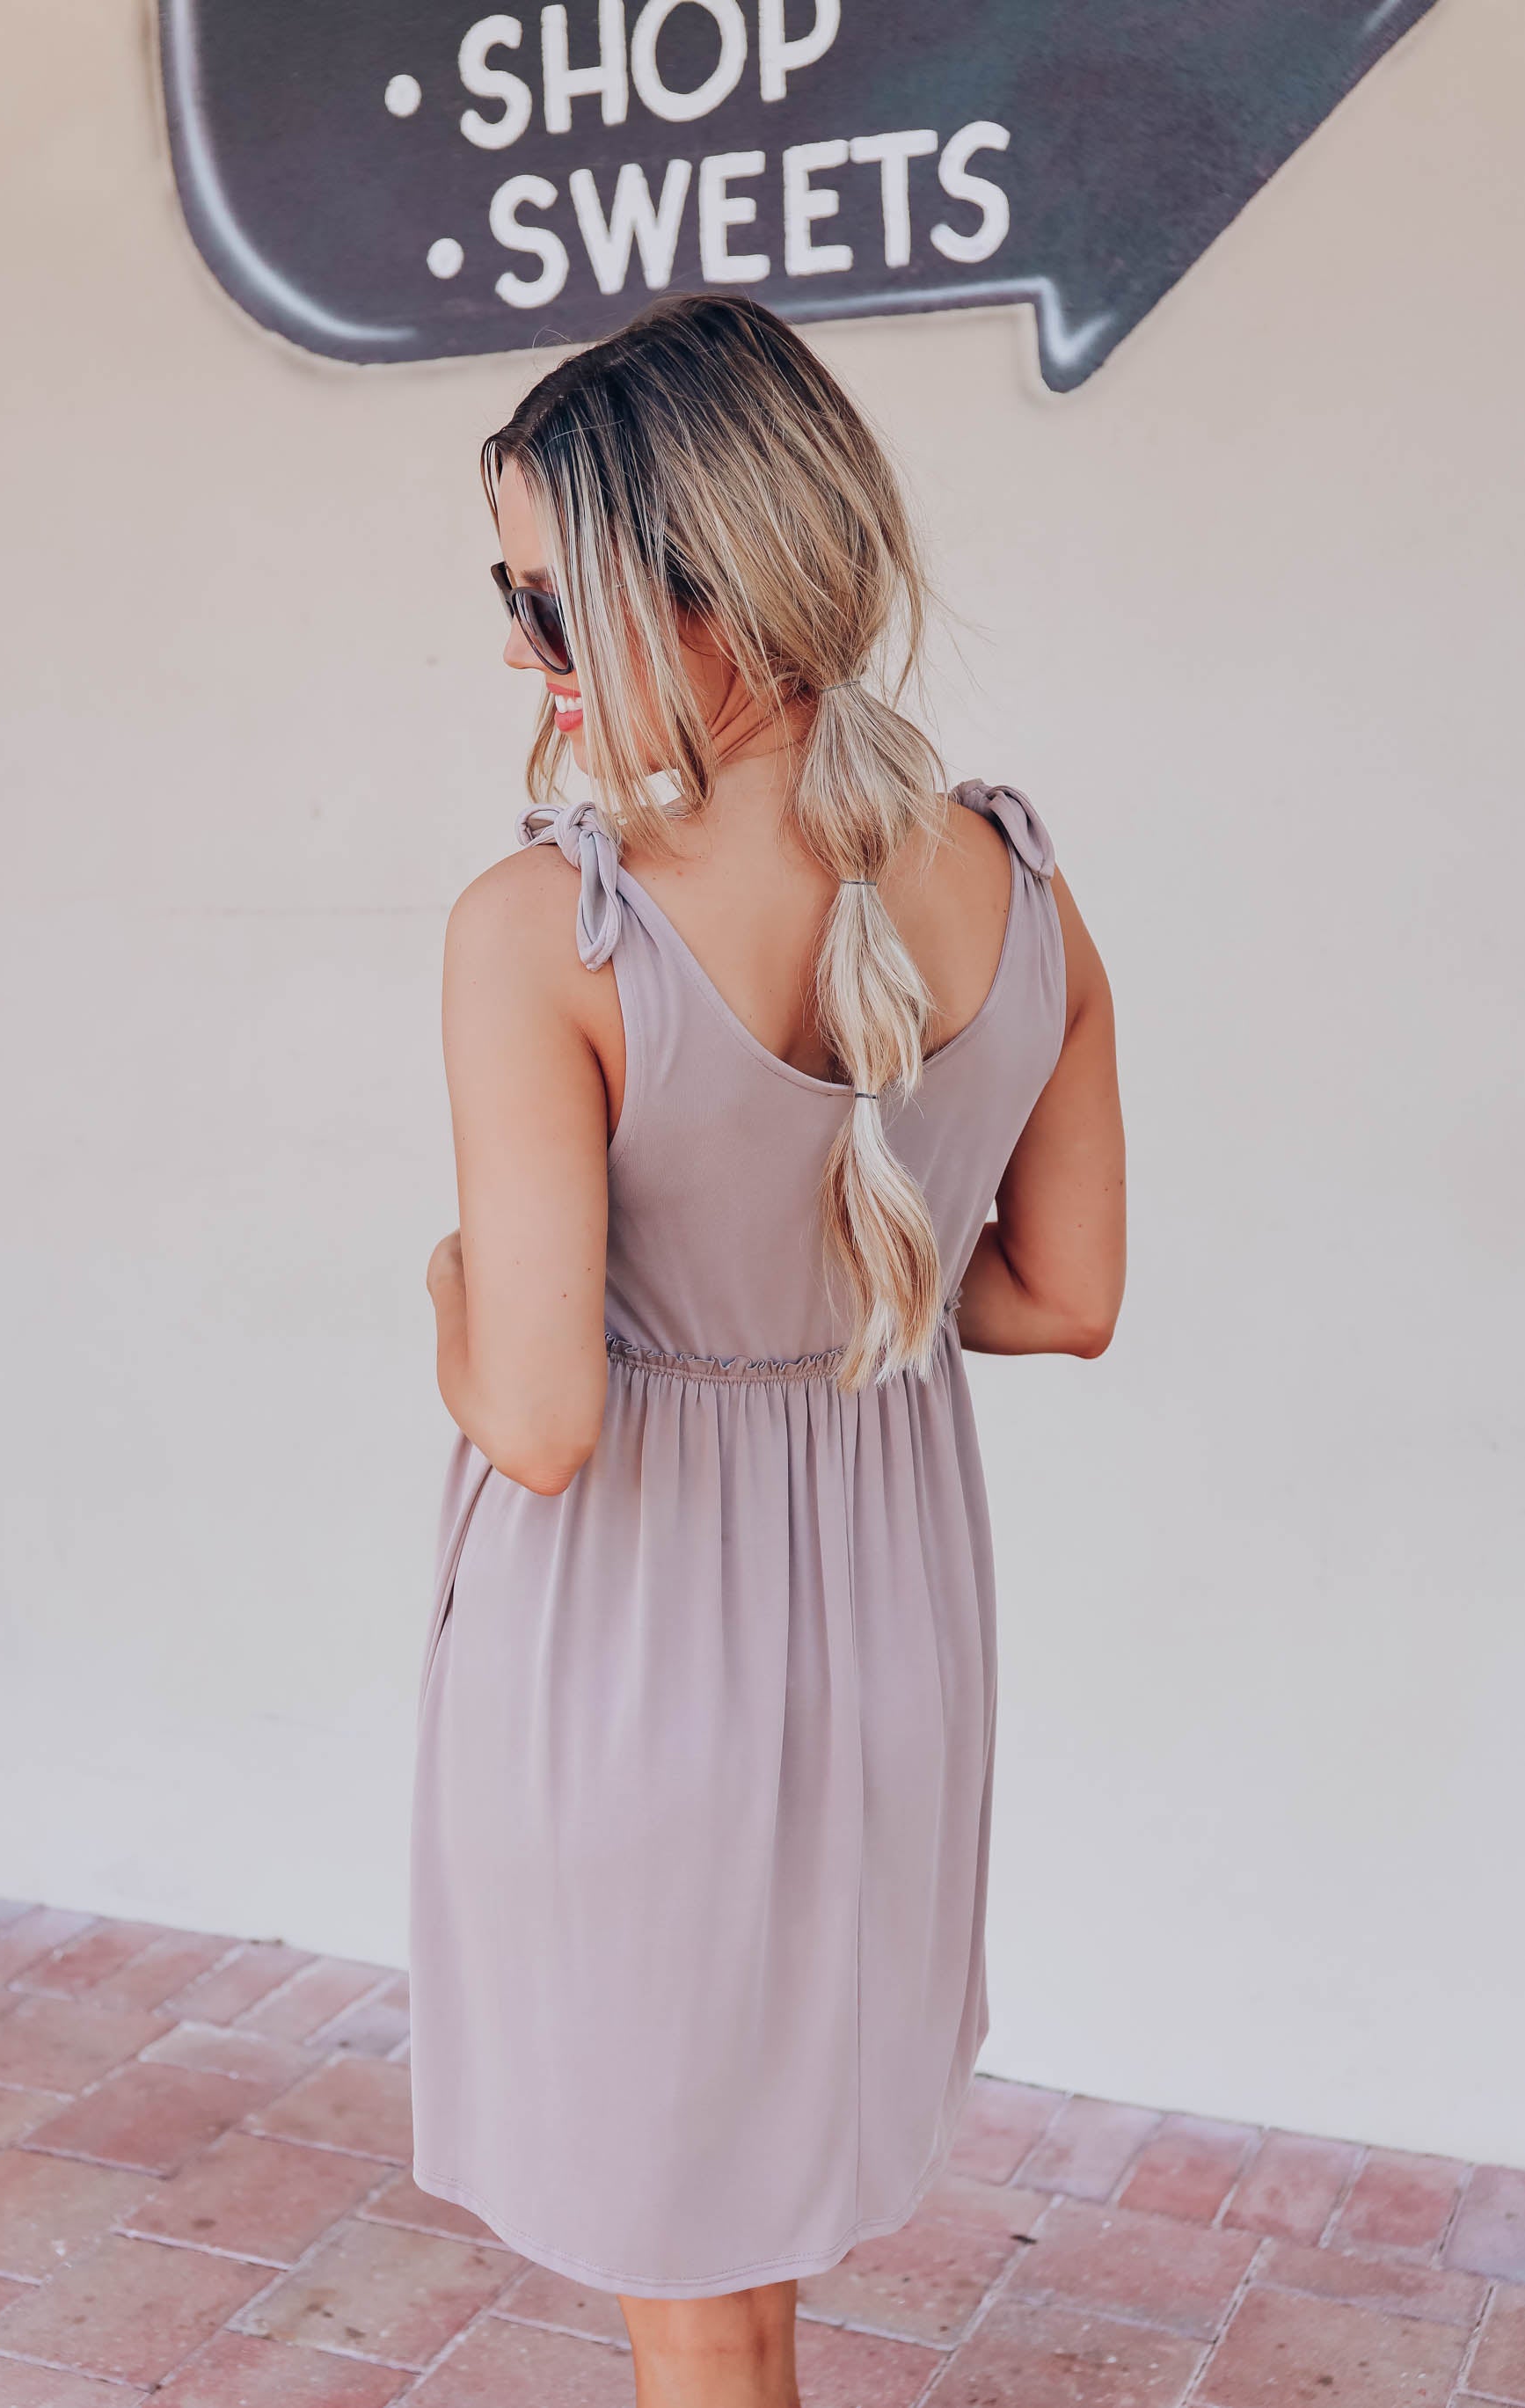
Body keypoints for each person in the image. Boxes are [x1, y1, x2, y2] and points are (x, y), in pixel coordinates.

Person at [409, 291, 1126, 2408]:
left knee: (690, 2295)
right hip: (889, 1642)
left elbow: (539, 1418)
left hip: (635, 1660)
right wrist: (840, 1289)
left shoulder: (543, 933)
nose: (520, 653)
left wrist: (446, 1291)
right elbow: (1062, 1293)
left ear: (707, 589)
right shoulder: (1021, 885)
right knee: (739, 2237)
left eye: (549, 602)